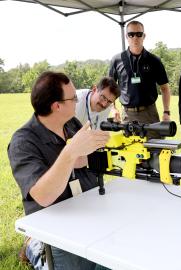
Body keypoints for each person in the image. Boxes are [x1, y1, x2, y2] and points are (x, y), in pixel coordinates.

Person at [8, 71, 110, 269]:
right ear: (56, 106)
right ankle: (33, 246)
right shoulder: (23, 142)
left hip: (89, 215)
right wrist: (70, 153)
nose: (77, 100)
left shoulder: (71, 124)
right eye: (73, 98)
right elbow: (43, 196)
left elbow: (83, 160)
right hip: (52, 230)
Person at [108, 20, 171, 138]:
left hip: (150, 113)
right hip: (127, 115)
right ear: (126, 36)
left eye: (139, 34)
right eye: (131, 34)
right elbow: (109, 88)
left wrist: (166, 112)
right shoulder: (117, 60)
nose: (135, 37)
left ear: (144, 36)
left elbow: (165, 88)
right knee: (131, 153)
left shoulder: (154, 60)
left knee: (156, 151)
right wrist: (113, 108)